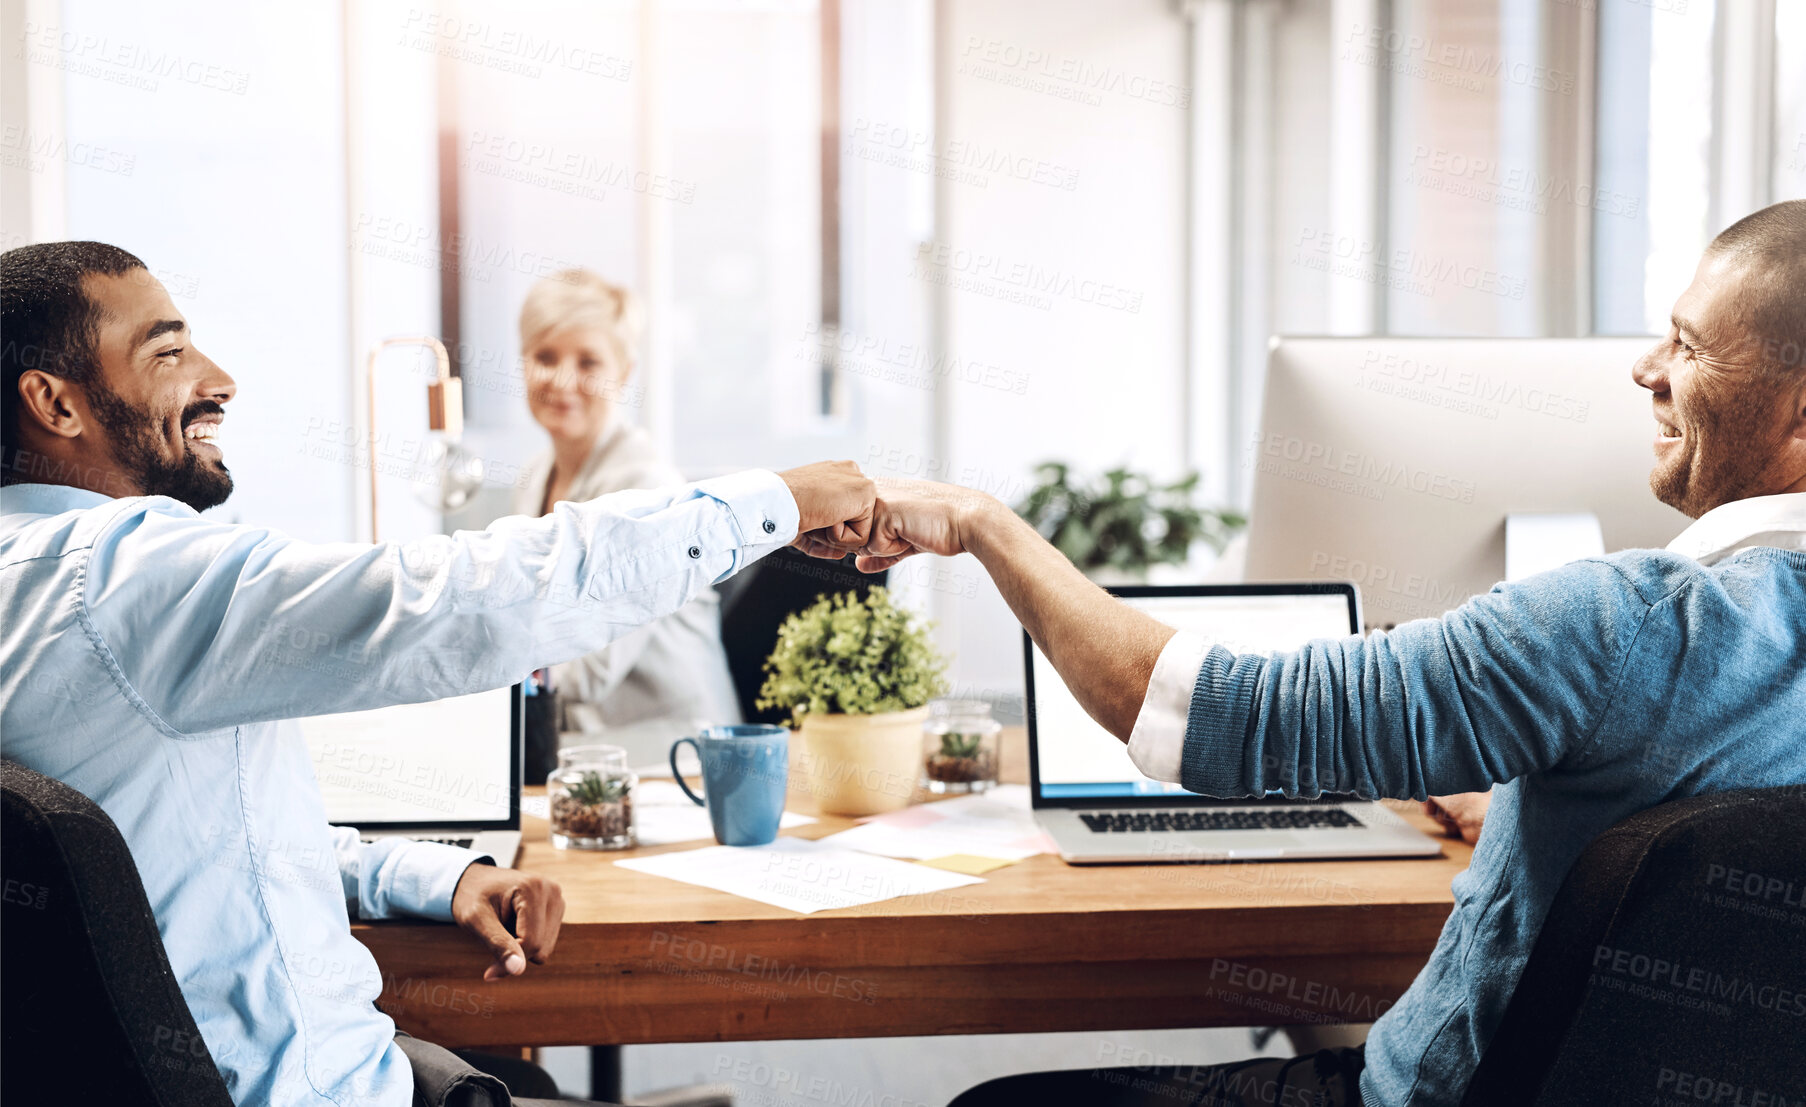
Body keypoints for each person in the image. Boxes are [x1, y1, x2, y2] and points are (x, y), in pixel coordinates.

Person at [837, 199, 1806, 1106]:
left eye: (1687, 345)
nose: (1646, 370)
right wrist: (1547, 804)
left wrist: (983, 525)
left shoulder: (1624, 628)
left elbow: (1209, 717)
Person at [0, 240, 876, 1107]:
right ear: (54, 403)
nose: (218, 378)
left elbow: (190, 845)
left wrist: (435, 876)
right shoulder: (126, 573)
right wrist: (777, 500)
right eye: (169, 351)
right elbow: (454, 597)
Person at [509, 269, 740, 730]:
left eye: (589, 362)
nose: (561, 379)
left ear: (624, 372)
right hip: (578, 743)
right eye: (545, 355)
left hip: (671, 752)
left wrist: (470, 665)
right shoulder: (533, 477)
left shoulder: (647, 488)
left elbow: (592, 666)